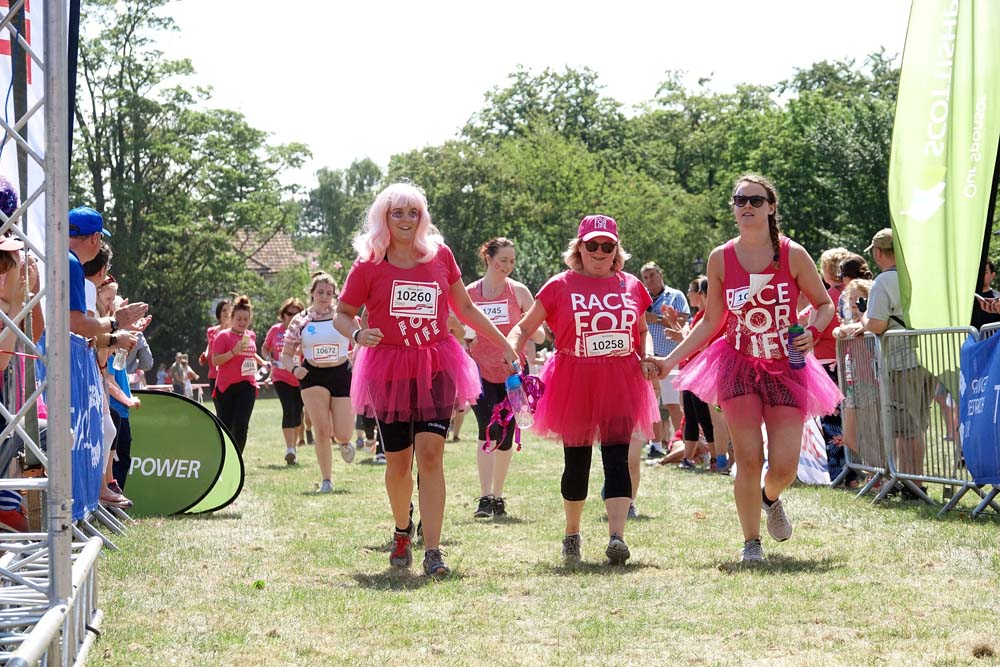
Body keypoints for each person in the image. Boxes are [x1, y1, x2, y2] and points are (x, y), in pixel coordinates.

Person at [650, 174, 841, 563]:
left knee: (785, 465)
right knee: (749, 456)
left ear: (771, 207)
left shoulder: (792, 254)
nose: (747, 206)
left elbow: (825, 304)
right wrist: (669, 360)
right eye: (740, 201)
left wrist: (813, 330)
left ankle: (771, 497)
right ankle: (751, 542)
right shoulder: (721, 257)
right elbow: (711, 320)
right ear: (734, 209)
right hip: (737, 364)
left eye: (756, 200)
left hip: (786, 365)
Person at [334, 182, 517, 577]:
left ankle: (433, 550)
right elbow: (343, 312)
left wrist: (503, 341)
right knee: (399, 464)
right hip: (388, 368)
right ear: (384, 217)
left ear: (423, 217)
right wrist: (355, 334)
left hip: (437, 363)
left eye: (413, 212)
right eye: (397, 212)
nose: (405, 219)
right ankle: (403, 530)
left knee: (432, 456)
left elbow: (464, 306)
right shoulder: (369, 262)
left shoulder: (439, 256)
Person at [508, 214, 659, 566]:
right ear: (579, 247)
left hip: (621, 377)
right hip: (574, 377)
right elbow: (524, 326)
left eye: (607, 246)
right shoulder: (560, 285)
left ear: (616, 250)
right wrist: (511, 348)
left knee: (617, 459)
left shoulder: (632, 285)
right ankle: (572, 533)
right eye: (592, 244)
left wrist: (648, 352)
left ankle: (617, 537)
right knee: (577, 463)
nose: (600, 251)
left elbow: (641, 331)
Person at [836, 228, 934, 499]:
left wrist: (865, 320)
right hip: (929, 357)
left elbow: (877, 324)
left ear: (878, 253)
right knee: (917, 425)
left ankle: (912, 484)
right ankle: (915, 481)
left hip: (902, 360)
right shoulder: (917, 276)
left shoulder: (884, 281)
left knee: (906, 428)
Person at [466, 237, 543, 519]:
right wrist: (465, 334)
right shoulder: (470, 293)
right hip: (478, 369)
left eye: (512, 261)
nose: (508, 266)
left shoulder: (519, 292)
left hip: (512, 373)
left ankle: (498, 496)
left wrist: (530, 328)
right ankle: (484, 498)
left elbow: (540, 334)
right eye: (503, 261)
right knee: (488, 427)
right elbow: (457, 327)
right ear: (488, 258)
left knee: (507, 433)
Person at [283, 273, 357, 492]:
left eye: (328, 293)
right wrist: (294, 369)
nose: (324, 297)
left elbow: (361, 339)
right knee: (322, 429)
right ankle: (327, 480)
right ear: (312, 293)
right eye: (320, 292)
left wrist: (356, 358)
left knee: (342, 432)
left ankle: (344, 442)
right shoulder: (301, 321)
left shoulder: (344, 316)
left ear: (334, 295)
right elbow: (286, 354)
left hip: (342, 373)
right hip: (313, 376)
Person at [640, 262, 689, 460]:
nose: (649, 280)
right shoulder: (643, 298)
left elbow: (684, 321)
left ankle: (680, 445)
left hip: (670, 357)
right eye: (646, 277)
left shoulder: (675, 295)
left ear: (661, 273)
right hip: (650, 358)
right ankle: (656, 445)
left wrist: (657, 319)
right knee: (652, 403)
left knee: (672, 404)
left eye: (652, 275)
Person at [211, 295, 259, 453]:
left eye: (246, 319)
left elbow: (250, 356)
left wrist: (262, 362)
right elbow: (215, 361)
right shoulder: (223, 336)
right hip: (226, 387)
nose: (242, 322)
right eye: (239, 318)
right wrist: (233, 352)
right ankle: (224, 458)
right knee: (226, 425)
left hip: (248, 385)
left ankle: (238, 459)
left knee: (242, 425)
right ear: (232, 317)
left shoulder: (250, 336)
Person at [263, 297, 305, 466]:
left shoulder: (306, 329)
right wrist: (268, 359)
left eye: (297, 314)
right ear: (283, 314)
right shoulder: (275, 330)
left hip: (301, 376)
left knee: (298, 414)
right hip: (281, 376)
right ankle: (290, 449)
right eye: (289, 313)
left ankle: (293, 446)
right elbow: (265, 348)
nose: (292, 317)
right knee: (288, 410)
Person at [202, 299, 232, 412]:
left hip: (231, 376)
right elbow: (209, 347)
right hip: (214, 376)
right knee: (221, 411)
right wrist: (204, 356)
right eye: (224, 310)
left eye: (229, 310)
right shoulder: (212, 331)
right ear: (219, 312)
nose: (226, 313)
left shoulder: (236, 332)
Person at [971, 259, 1000, 330]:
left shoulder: (998, 299)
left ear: (992, 275)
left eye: (985, 272)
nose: (980, 275)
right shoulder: (963, 298)